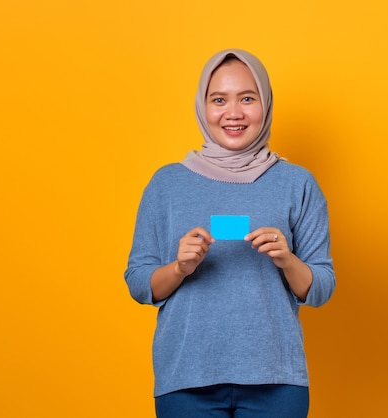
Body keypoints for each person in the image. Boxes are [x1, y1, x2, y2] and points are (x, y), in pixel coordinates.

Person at [124, 48, 335, 417]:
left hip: (276, 381)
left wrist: (287, 260)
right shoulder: (166, 184)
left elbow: (320, 287)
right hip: (186, 380)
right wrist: (180, 267)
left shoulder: (297, 183)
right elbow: (139, 282)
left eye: (247, 98)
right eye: (219, 99)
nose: (233, 113)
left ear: (265, 104)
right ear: (203, 106)